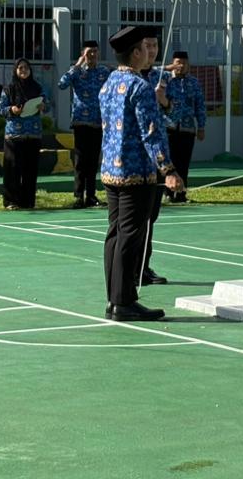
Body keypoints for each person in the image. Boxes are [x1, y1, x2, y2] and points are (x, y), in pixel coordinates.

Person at [100, 25, 183, 321]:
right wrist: (168, 169)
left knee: (115, 235)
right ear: (135, 53)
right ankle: (124, 302)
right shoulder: (140, 87)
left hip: (112, 170)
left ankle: (114, 298)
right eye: (145, 48)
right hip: (137, 173)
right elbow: (152, 133)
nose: (149, 52)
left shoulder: (109, 82)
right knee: (131, 236)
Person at [58, 40, 110, 208]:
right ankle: (79, 196)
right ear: (83, 54)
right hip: (81, 121)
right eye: (89, 52)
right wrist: (76, 66)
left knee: (93, 161)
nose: (93, 55)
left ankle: (91, 196)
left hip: (98, 122)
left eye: (95, 51)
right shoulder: (77, 72)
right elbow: (62, 84)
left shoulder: (104, 72)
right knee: (81, 160)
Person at [136, 27, 170, 284]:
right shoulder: (129, 78)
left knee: (151, 216)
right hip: (134, 158)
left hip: (157, 157)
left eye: (155, 46)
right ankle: (131, 269)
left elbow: (176, 116)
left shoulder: (161, 77)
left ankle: (144, 267)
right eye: (147, 46)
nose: (152, 51)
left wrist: (165, 102)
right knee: (134, 218)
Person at [0, 57, 50, 211]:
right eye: (20, 68)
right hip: (14, 135)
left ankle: (28, 201)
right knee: (12, 169)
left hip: (33, 134)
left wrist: (42, 106)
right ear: (16, 70)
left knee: (30, 170)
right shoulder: (9, 89)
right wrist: (12, 110)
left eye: (26, 67)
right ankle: (11, 201)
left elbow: (47, 105)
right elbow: (0, 109)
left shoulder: (38, 87)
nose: (24, 70)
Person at [161, 51, 206, 203]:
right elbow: (150, 71)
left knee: (184, 162)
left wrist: (201, 126)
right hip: (169, 127)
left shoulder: (193, 82)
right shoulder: (165, 79)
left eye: (184, 63)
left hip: (187, 129)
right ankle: (167, 192)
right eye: (178, 63)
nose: (181, 66)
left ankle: (181, 194)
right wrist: (168, 68)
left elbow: (200, 105)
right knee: (169, 161)